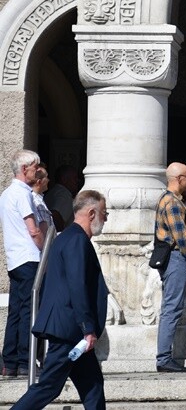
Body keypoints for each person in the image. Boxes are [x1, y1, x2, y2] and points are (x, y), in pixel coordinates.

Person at [10, 190, 109, 410]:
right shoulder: (76, 240)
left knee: (93, 385)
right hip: (70, 330)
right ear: (92, 213)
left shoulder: (67, 238)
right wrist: (87, 328)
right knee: (49, 386)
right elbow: (77, 286)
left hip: (70, 329)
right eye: (104, 213)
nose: (106, 218)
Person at [1, 149, 43, 378]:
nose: (38, 171)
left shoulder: (7, 193)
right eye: (35, 167)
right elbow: (33, 229)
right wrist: (46, 250)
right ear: (25, 169)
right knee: (28, 311)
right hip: (29, 257)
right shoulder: (23, 193)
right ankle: (26, 361)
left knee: (16, 311)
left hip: (14, 259)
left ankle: (10, 362)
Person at [154, 162, 186, 373]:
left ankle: (165, 357)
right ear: (179, 178)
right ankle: (164, 358)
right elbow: (183, 237)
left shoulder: (168, 200)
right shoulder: (172, 202)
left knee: (171, 307)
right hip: (174, 258)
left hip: (172, 258)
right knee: (172, 308)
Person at [44, 164, 80, 232]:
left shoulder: (53, 192)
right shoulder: (64, 193)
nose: (77, 181)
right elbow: (55, 214)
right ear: (64, 180)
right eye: (74, 178)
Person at [31, 164, 55, 235]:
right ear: (39, 182)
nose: (48, 180)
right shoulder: (36, 201)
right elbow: (43, 229)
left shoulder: (39, 199)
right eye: (46, 177)